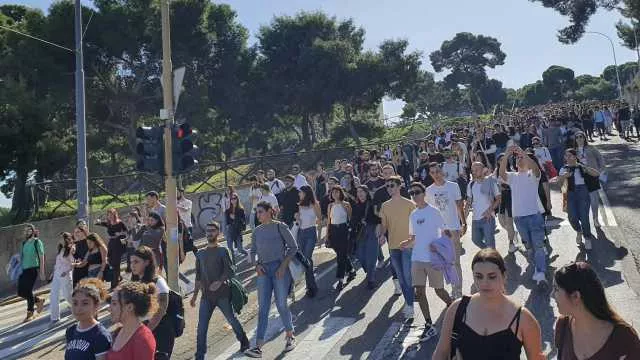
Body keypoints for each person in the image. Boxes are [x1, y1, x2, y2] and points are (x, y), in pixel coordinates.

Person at [433, 249, 545, 360]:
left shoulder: (523, 319)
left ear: (504, 276)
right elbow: (441, 353)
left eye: (492, 277)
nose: (484, 283)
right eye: (479, 276)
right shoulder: (457, 309)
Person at [553, 261, 640, 359]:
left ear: (575, 296)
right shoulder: (562, 325)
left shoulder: (624, 338)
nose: (552, 295)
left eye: (556, 289)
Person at [245, 201, 298, 358]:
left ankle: (290, 336)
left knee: (281, 305)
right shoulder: (256, 231)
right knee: (263, 308)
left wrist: (283, 266)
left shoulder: (280, 226)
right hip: (263, 271)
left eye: (261, 211)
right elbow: (253, 251)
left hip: (279, 269)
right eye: (257, 212)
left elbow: (293, 247)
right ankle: (258, 347)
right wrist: (256, 265)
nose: (258, 214)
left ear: (270, 211)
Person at [402, 182, 453, 342]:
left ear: (424, 193)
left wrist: (437, 245)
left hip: (433, 259)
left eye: (417, 192)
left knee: (439, 291)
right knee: (419, 292)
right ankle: (429, 324)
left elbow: (447, 234)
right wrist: (406, 243)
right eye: (412, 193)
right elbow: (414, 238)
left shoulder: (434, 212)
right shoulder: (413, 215)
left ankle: (454, 307)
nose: (414, 195)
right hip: (417, 258)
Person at [191, 222, 250, 359]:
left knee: (232, 319)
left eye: (212, 230)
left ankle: (244, 340)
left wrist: (219, 281)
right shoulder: (200, 254)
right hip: (206, 296)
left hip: (223, 294)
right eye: (207, 231)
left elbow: (230, 270)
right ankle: (200, 355)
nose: (209, 233)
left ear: (218, 232)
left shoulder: (223, 251)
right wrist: (194, 296)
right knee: (201, 327)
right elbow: (198, 276)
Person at [499, 145, 548, 286]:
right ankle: (537, 267)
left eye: (522, 158)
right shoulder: (512, 177)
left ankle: (541, 273)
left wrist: (523, 153)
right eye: (518, 158)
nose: (520, 159)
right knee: (529, 247)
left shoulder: (533, 175)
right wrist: (507, 154)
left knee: (538, 246)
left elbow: (536, 168)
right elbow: (502, 173)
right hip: (519, 219)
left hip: (534, 216)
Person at [426, 163, 466, 298]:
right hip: (438, 232)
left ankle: (458, 290)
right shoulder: (428, 191)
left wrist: (463, 223)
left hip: (453, 228)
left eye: (437, 171)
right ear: (430, 174)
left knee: (456, 262)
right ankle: (454, 286)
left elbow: (459, 206)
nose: (435, 174)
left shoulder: (453, 186)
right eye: (432, 172)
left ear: (442, 172)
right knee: (445, 263)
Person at [379, 175, 416, 320]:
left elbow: (416, 224)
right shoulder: (385, 205)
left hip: (407, 245)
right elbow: (384, 225)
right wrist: (382, 235)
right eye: (387, 186)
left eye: (392, 185)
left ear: (399, 186)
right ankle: (409, 301)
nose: (389, 188)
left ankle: (409, 305)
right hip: (393, 246)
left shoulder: (409, 204)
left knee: (407, 277)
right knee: (401, 278)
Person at [129, 246, 173, 359]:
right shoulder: (133, 283)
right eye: (131, 262)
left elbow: (161, 309)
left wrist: (147, 331)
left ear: (147, 262)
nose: (132, 265)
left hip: (160, 330)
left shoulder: (158, 281)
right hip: (141, 329)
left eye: (136, 261)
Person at [558, 149, 600, 250]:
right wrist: (564, 177)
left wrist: (585, 168)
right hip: (570, 193)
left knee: (584, 217)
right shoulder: (564, 168)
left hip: (583, 192)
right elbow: (559, 184)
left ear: (575, 156)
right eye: (566, 156)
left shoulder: (581, 166)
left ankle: (587, 237)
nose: (568, 158)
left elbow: (596, 174)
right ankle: (579, 231)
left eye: (570, 156)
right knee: (572, 217)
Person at [106, 281, 157, 360]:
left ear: (129, 307)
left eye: (114, 303)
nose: (109, 309)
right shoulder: (118, 331)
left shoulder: (143, 340)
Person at [65, 278, 112, 360]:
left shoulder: (101, 336)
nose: (78, 308)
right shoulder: (70, 331)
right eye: (75, 303)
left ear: (96, 305)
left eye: (85, 303)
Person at [574, 131, 605, 229]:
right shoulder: (573, 151)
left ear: (584, 138)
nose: (579, 139)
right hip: (579, 178)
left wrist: (599, 171)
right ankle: (584, 221)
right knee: (582, 201)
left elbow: (600, 159)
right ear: (575, 140)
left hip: (591, 175)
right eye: (577, 137)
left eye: (581, 137)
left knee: (594, 199)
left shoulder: (591, 148)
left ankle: (595, 218)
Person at [467, 162, 501, 250]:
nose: (474, 172)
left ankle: (493, 259)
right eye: (473, 170)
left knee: (490, 243)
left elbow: (498, 199)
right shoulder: (470, 185)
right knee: (475, 240)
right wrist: (464, 221)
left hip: (488, 218)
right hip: (475, 219)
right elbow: (468, 202)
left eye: (477, 170)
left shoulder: (491, 182)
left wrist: (489, 211)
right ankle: (490, 253)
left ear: (483, 170)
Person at [294, 185, 320, 297]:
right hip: (301, 233)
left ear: (306, 193)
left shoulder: (315, 204)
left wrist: (319, 237)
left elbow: (320, 219)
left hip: (311, 233)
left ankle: (311, 287)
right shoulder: (299, 205)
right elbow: (299, 221)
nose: (299, 194)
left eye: (300, 192)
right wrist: (297, 218)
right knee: (305, 261)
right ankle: (311, 286)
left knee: (307, 259)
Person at [327, 186, 355, 290]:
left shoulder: (346, 204)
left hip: (343, 229)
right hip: (333, 231)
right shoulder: (330, 205)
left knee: (340, 257)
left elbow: (351, 218)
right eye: (333, 192)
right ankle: (351, 270)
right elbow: (329, 221)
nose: (335, 194)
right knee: (341, 254)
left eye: (337, 192)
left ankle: (340, 279)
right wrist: (327, 236)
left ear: (340, 193)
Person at [17, 223, 46, 323]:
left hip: (33, 269)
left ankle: (30, 313)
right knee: (20, 292)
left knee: (28, 290)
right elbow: (22, 257)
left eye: (29, 229)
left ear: (33, 231)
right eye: (25, 230)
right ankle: (38, 300)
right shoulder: (24, 243)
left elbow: (42, 257)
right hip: (24, 270)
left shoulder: (37, 242)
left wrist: (42, 271)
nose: (27, 231)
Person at [352, 185, 379, 289]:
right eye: (358, 192)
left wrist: (378, 229)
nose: (360, 194)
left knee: (371, 256)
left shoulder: (372, 204)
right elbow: (353, 219)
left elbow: (378, 218)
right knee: (360, 255)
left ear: (366, 193)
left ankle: (371, 279)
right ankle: (370, 271)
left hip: (372, 230)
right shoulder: (356, 205)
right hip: (360, 232)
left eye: (362, 191)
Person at [95, 208, 128, 289]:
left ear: (114, 214)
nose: (109, 216)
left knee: (116, 263)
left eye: (111, 214)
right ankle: (118, 277)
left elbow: (127, 232)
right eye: (108, 214)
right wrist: (99, 217)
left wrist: (119, 233)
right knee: (110, 261)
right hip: (111, 243)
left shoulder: (120, 223)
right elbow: (96, 223)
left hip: (118, 243)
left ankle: (114, 284)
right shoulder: (108, 223)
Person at [495, 154, 519, 254]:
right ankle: (513, 233)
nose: (502, 162)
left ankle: (511, 243)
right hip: (500, 198)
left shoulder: (512, 171)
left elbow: (516, 185)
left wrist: (506, 186)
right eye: (500, 160)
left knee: (509, 221)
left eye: (503, 159)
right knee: (501, 221)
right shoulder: (495, 172)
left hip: (510, 197)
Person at [51, 232, 75, 323]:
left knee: (67, 296)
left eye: (62, 238)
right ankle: (55, 317)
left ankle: (76, 309)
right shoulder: (60, 249)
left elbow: (73, 263)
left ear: (66, 239)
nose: (60, 240)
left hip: (65, 275)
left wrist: (66, 272)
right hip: (57, 274)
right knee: (53, 295)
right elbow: (57, 263)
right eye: (59, 238)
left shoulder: (71, 249)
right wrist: (53, 273)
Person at [225, 191, 248, 259]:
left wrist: (235, 218)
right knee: (230, 249)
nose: (233, 200)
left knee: (240, 249)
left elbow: (243, 221)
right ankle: (233, 264)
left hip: (238, 230)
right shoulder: (228, 210)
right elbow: (227, 222)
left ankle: (249, 254)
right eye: (232, 199)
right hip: (230, 230)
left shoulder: (241, 209)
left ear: (237, 199)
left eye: (235, 198)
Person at [176, 187, 194, 255]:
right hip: (179, 227)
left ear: (181, 193)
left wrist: (177, 206)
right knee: (180, 245)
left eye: (177, 193)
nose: (176, 195)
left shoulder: (188, 202)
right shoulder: (175, 203)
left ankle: (198, 257)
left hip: (187, 226)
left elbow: (185, 209)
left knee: (190, 243)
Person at [73, 222, 90, 288]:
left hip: (87, 266)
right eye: (76, 232)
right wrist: (74, 254)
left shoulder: (89, 240)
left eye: (78, 231)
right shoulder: (77, 242)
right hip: (79, 266)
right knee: (76, 285)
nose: (76, 233)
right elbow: (77, 256)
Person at [125, 208, 143, 272]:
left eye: (132, 217)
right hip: (130, 246)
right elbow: (129, 235)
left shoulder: (139, 225)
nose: (130, 218)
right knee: (131, 266)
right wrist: (126, 240)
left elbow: (136, 238)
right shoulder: (130, 225)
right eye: (130, 217)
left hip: (137, 248)